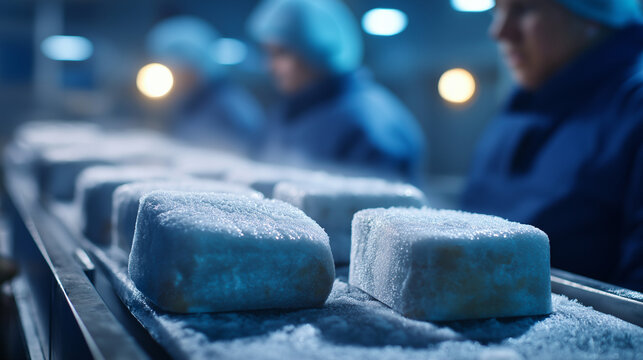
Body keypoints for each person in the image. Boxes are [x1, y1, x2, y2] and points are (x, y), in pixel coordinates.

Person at [461, 0, 643, 290]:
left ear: (592, 17)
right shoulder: (521, 104)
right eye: (497, 10)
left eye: (523, 9)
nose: (499, 32)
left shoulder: (633, 108)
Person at [247, 0, 425, 182]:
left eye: (281, 53)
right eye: (267, 53)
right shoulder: (288, 114)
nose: (269, 67)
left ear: (317, 46)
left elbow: (373, 205)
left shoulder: (370, 124)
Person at [146, 15, 265, 154]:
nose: (177, 78)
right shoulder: (187, 102)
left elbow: (252, 153)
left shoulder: (229, 105)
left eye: (180, 69)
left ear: (198, 65)